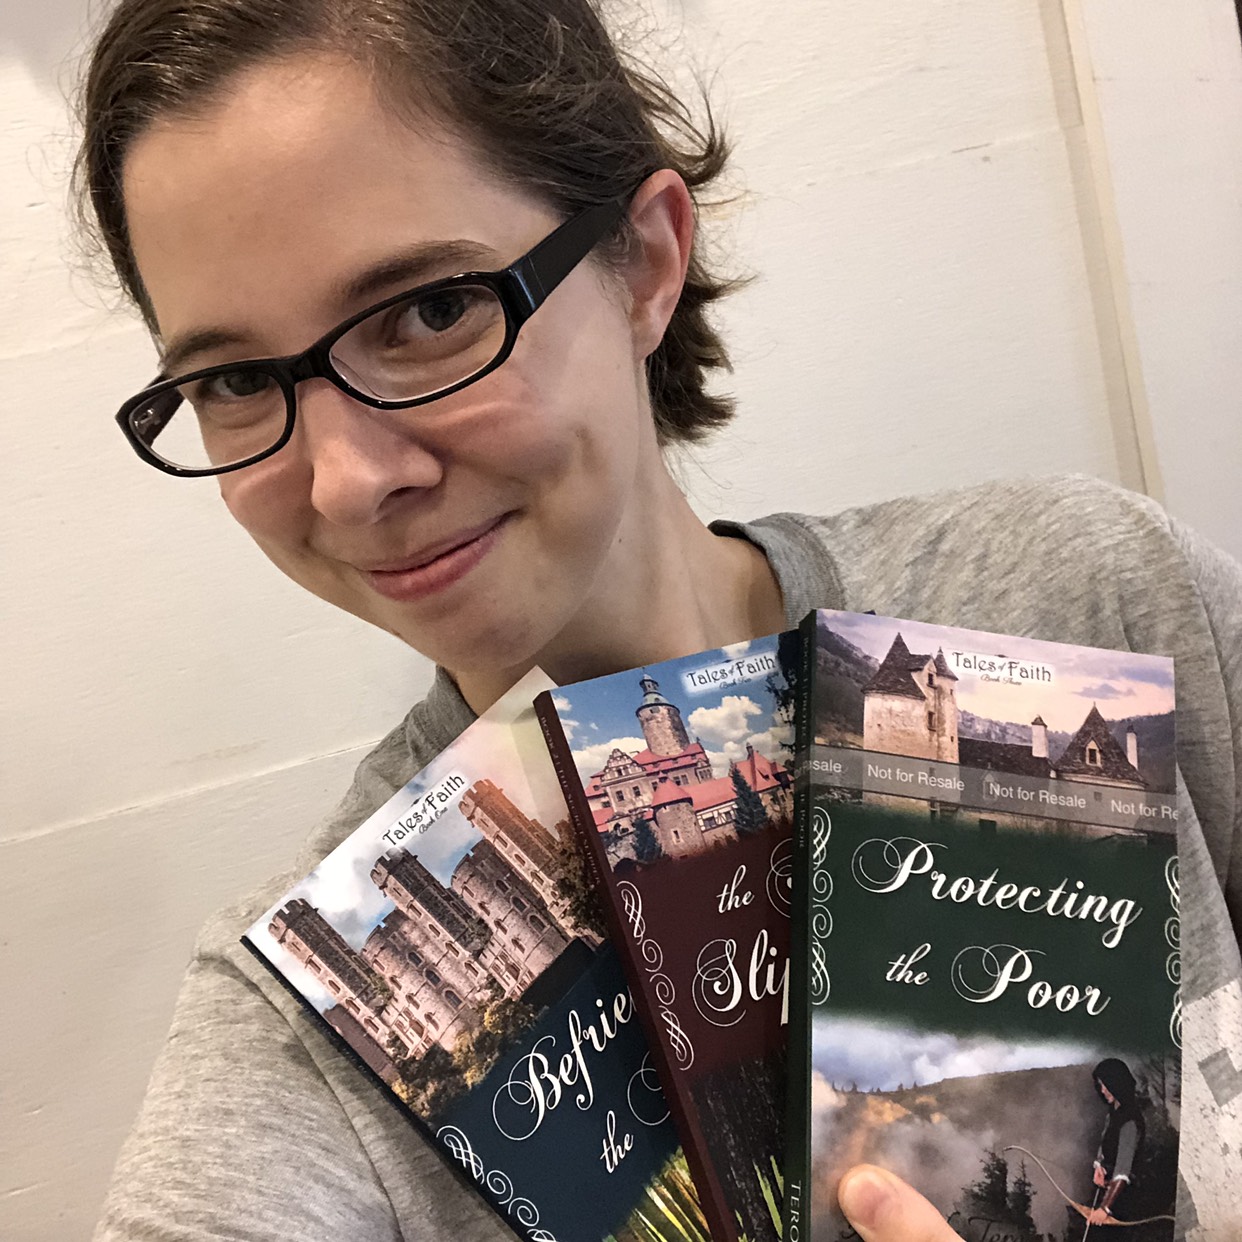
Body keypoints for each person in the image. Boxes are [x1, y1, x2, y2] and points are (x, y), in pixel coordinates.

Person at [77, 0, 1241, 1239]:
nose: (349, 482)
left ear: (642, 261)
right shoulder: (308, 1009)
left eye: (429, 313)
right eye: (235, 381)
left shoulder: (1088, 595)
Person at [1088, 1058, 1146, 1227]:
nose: (1103, 1090)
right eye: (1100, 1086)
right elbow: (1106, 1141)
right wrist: (1100, 1166)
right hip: (1111, 1190)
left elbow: (1123, 1170)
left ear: (1117, 1083)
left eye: (1106, 1085)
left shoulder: (1130, 1121)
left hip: (1126, 1200)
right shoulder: (1114, 1112)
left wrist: (1104, 1209)